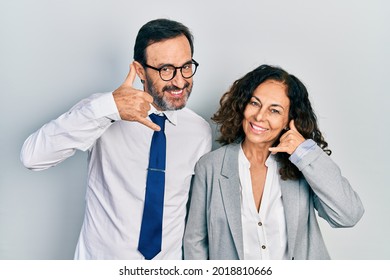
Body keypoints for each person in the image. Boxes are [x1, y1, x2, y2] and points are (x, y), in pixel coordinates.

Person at [20, 18, 212, 260]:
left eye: (186, 66)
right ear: (140, 71)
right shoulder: (101, 111)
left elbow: (197, 215)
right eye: (166, 69)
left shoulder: (199, 132)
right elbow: (33, 157)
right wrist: (108, 108)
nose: (179, 80)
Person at [183, 64, 364, 260]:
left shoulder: (302, 166)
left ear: (289, 120)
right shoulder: (210, 166)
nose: (260, 116)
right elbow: (195, 242)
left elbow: (348, 215)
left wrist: (304, 152)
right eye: (254, 103)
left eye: (274, 111)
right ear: (242, 104)